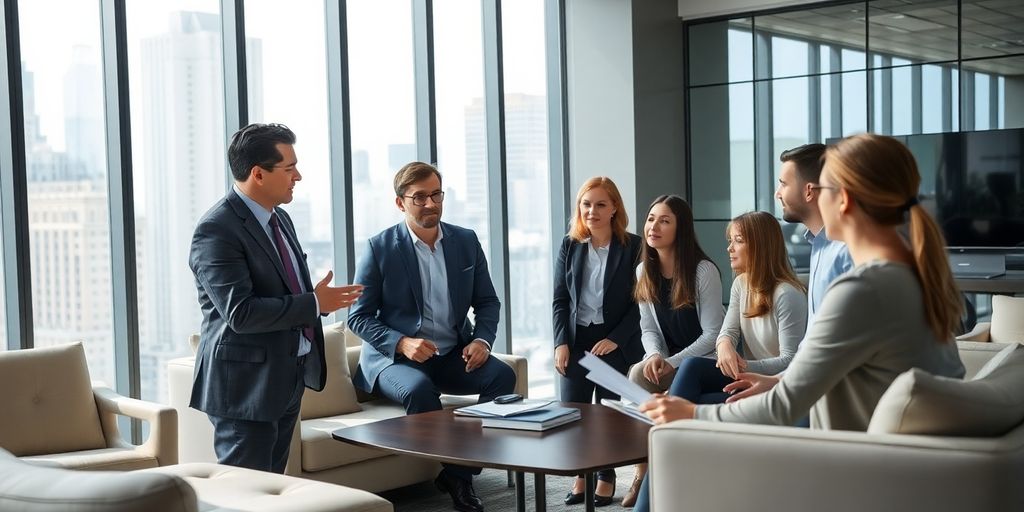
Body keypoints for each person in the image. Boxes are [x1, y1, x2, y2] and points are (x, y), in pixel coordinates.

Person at [634, 133, 966, 512]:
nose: (813, 197)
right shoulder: (908, 272)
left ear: (843, 199)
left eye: (820, 188)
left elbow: (785, 407)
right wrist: (774, 380)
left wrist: (691, 413)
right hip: (888, 449)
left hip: (853, 454)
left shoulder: (862, 288)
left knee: (679, 428)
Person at [189, 123, 364, 473]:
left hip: (287, 377)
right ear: (258, 174)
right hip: (245, 388)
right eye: (289, 168)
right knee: (246, 493)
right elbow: (241, 313)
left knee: (274, 489)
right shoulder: (216, 230)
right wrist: (316, 304)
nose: (297, 176)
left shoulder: (280, 218)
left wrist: (313, 297)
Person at [348, 161, 516, 512]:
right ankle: (459, 479)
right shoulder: (381, 247)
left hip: (452, 353)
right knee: (420, 389)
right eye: (419, 197)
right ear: (400, 203)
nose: (430, 204)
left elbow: (487, 302)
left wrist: (481, 341)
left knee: (503, 376)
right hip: (395, 361)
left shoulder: (465, 241)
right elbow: (358, 317)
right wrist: (401, 342)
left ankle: (461, 471)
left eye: (436, 195)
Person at [621, 194, 725, 507]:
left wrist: (671, 361)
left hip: (703, 362)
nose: (654, 226)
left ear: (681, 229)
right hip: (668, 360)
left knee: (651, 378)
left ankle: (661, 475)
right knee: (638, 373)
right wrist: (654, 356)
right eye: (651, 218)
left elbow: (713, 334)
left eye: (665, 220)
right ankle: (642, 471)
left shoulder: (703, 271)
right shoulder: (643, 271)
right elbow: (648, 329)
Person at [552, 177, 642, 507]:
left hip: (614, 339)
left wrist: (616, 340)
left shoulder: (633, 246)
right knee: (573, 414)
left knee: (605, 414)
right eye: (586, 204)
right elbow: (560, 297)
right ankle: (581, 475)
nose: (592, 211)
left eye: (601, 204)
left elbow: (640, 303)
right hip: (576, 340)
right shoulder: (570, 244)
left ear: (614, 207)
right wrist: (560, 342)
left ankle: (605, 476)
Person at [669, 211, 807, 407]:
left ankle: (661, 422)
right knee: (694, 380)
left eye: (738, 241)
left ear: (760, 246)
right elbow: (729, 331)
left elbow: (790, 361)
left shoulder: (787, 294)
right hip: (749, 375)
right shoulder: (741, 284)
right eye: (730, 240)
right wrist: (724, 345)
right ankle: (665, 421)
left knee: (696, 380)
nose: (729, 248)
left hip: (775, 384)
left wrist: (739, 366)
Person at [775, 143, 853, 328]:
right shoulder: (818, 245)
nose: (777, 193)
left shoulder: (845, 251)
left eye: (783, 184)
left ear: (809, 191)